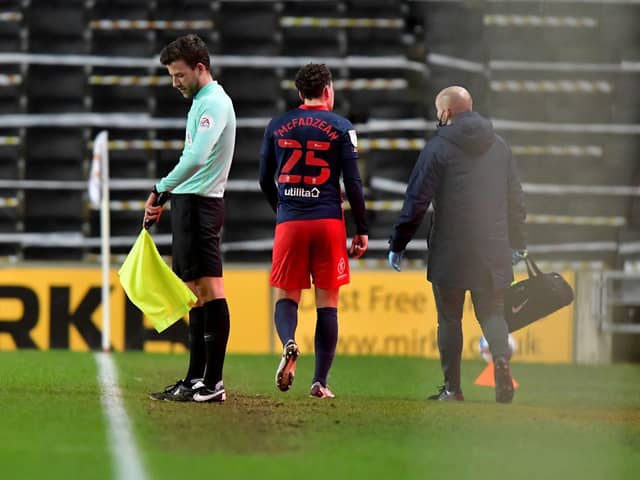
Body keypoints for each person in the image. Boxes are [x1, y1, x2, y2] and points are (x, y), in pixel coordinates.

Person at [388, 86, 527, 404]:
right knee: (492, 312)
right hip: (492, 248)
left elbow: (417, 200)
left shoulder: (438, 148)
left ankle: (453, 389)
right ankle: (501, 361)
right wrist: (518, 243)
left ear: (446, 112)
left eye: (439, 111)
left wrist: (399, 241)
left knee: (449, 319)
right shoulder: (500, 146)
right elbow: (515, 199)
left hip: (451, 249)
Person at [259, 63, 368, 399]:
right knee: (327, 303)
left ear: (299, 92)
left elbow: (265, 178)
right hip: (327, 222)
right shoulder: (341, 127)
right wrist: (361, 228)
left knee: (286, 296)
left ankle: (289, 342)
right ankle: (320, 382)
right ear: (328, 91)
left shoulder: (277, 125)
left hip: (290, 221)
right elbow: (353, 182)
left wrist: (283, 209)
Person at [145, 34, 236, 403]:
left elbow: (197, 158)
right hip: (190, 203)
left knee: (210, 290)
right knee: (196, 294)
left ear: (200, 68)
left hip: (200, 203)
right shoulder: (203, 101)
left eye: (179, 75)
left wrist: (161, 187)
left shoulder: (213, 102)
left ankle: (212, 382)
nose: (175, 82)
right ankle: (195, 379)